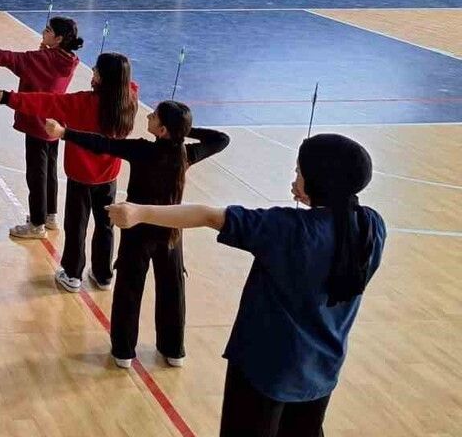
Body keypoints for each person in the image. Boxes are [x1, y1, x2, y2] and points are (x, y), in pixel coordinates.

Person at [106, 133, 385, 437]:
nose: (294, 177)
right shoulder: (372, 226)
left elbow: (209, 216)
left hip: (263, 369)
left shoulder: (285, 229)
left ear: (319, 181)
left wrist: (140, 212)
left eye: (299, 171)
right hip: (321, 371)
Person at [44, 101, 230, 369]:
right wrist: (183, 131)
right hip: (171, 231)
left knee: (129, 290)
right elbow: (221, 139)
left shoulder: (142, 150)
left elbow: (103, 144)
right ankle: (173, 350)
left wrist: (64, 133)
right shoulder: (186, 153)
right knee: (172, 289)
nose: (149, 115)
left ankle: (123, 351)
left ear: (162, 130)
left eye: (154, 117)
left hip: (137, 233)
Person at [0, 53, 137, 289]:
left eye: (97, 71)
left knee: (76, 226)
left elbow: (47, 102)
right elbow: (131, 84)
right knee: (105, 225)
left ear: (103, 77)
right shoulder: (128, 100)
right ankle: (103, 275)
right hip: (109, 177)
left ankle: (72, 274)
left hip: (80, 177)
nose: (93, 74)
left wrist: (10, 98)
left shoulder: (82, 103)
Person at [0, 16, 82, 239]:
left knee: (36, 176)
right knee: (50, 172)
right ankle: (50, 216)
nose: (43, 32)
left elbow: (9, 58)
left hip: (36, 124)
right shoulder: (69, 60)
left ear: (59, 38)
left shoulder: (39, 59)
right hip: (55, 124)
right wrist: (48, 51)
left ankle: (36, 224)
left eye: (48, 30)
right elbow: (45, 63)